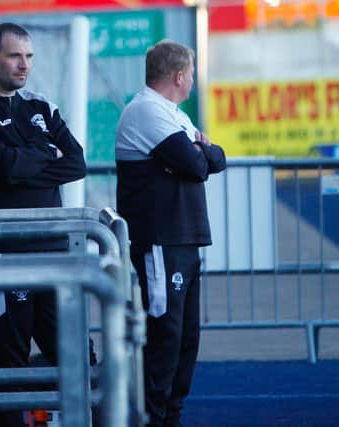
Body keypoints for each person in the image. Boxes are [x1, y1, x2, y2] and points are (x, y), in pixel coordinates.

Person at [0, 22, 87, 427]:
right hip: (5, 255)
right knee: (11, 359)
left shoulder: (41, 106)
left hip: (56, 253)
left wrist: (23, 161)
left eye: (28, 56)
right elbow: (2, 169)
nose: (24, 65)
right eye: (14, 56)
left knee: (76, 354)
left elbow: (75, 163)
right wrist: (42, 156)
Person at [114, 40, 227, 427]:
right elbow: (197, 165)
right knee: (166, 335)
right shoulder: (147, 110)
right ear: (179, 76)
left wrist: (202, 154)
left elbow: (216, 159)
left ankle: (171, 415)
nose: (193, 81)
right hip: (161, 241)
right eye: (192, 74)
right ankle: (154, 417)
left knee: (185, 338)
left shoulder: (172, 114)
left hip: (184, 239)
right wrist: (201, 153)